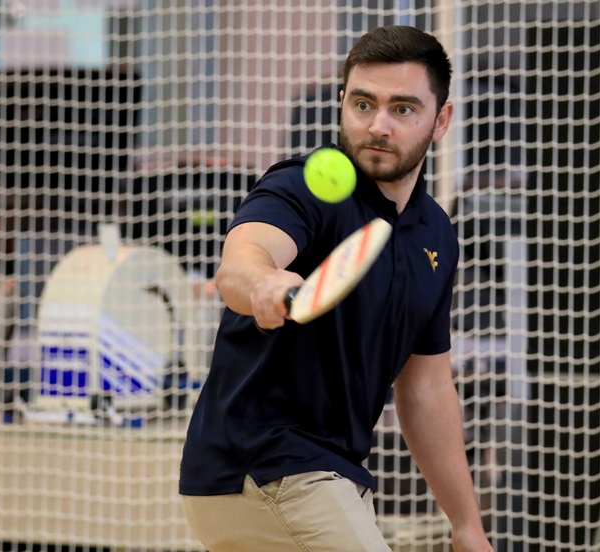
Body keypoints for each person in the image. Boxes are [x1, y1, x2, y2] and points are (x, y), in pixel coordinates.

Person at [179, 25, 493, 552]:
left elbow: (426, 387)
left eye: (403, 109)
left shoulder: (435, 233)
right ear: (341, 102)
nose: (379, 126)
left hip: (330, 474)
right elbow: (240, 264)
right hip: (265, 467)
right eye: (364, 104)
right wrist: (263, 283)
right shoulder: (303, 186)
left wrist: (466, 525)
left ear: (441, 121)